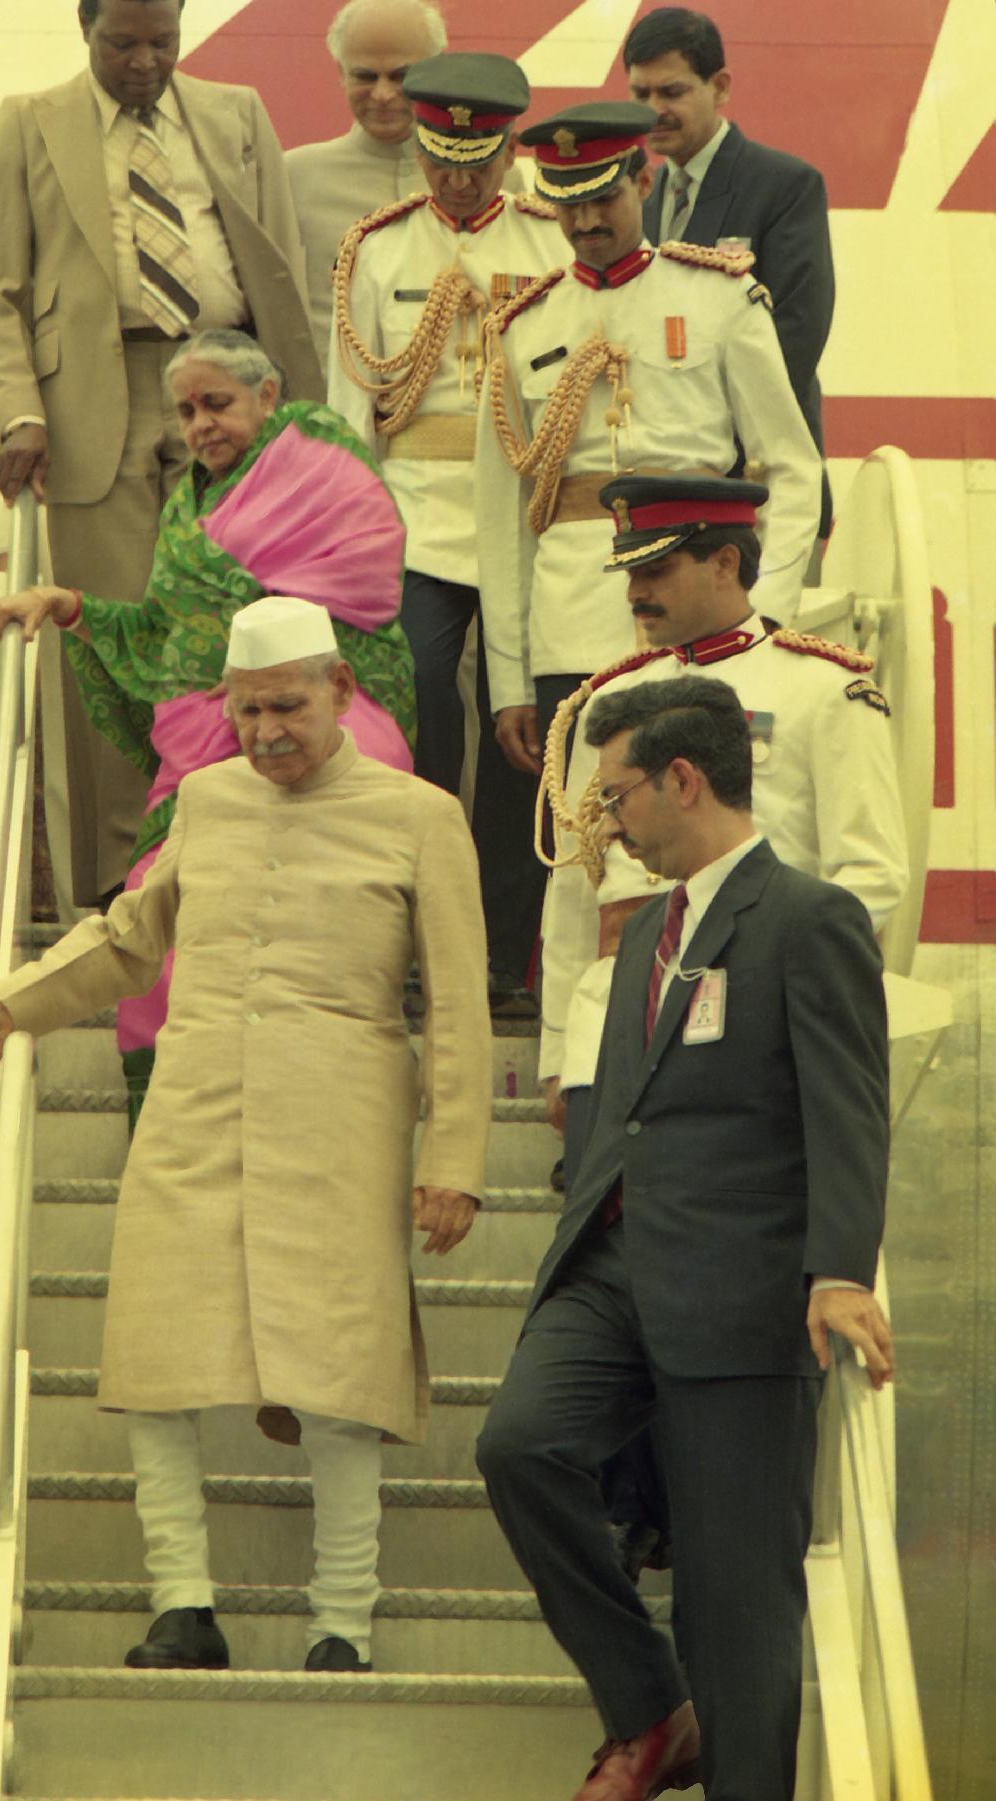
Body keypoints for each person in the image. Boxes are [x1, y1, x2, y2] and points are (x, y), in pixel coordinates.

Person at [0, 597, 492, 1677]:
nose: (265, 733)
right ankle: (182, 1606)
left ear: (341, 691)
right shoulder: (205, 797)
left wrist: (454, 1163)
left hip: (342, 1121)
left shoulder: (422, 815)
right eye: (247, 712)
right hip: (194, 1108)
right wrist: (13, 1001)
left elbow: (461, 1006)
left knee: (339, 1379)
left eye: (287, 707)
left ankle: (342, 1625)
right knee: (155, 1360)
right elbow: (127, 938)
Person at [476, 674, 894, 1801]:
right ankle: (654, 1705)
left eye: (617, 798)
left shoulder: (807, 918)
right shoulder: (643, 936)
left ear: (683, 779)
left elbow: (849, 1108)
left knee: (735, 1600)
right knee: (519, 1446)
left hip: (741, 1288)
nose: (608, 825)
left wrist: (839, 1269)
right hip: (611, 1269)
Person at [535, 471, 908, 1577]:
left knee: (707, 1278)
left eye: (657, 568)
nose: (636, 592)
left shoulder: (823, 689)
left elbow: (870, 878)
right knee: (606, 1266)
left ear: (728, 561)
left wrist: (779, 996)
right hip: (619, 1019)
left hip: (742, 1023)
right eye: (629, 571)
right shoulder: (605, 703)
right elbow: (572, 891)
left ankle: (699, 1527)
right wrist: (562, 1046)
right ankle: (635, 1514)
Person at [0, 329, 416, 1122]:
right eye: (186, 411)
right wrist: (70, 606)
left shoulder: (317, 452)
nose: (199, 426)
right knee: (160, 922)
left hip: (321, 742)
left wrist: (263, 665)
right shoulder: (189, 501)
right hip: (200, 755)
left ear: (267, 394)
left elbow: (364, 579)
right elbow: (167, 632)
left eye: (215, 403)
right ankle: (164, 1123)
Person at [0, 0, 322, 905]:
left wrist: (300, 418)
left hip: (230, 379)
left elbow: (281, 268)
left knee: (243, 629)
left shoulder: (238, 114)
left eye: (163, 41)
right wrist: (18, 414)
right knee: (113, 641)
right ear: (84, 28)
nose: (145, 61)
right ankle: (126, 882)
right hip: (95, 399)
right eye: (122, 43)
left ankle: (239, 864)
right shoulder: (29, 122)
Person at [473, 102, 821, 779]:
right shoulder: (521, 325)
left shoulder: (720, 296)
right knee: (585, 817)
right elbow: (502, 516)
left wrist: (768, 609)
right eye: (568, 205)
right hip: (574, 617)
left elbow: (792, 465)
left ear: (643, 182)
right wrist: (510, 679)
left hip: (707, 605)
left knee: (713, 804)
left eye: (603, 199)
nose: (586, 222)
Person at [328, 52, 563, 1012]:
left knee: (522, 729)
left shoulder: (551, 241)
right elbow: (351, 408)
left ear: (508, 152)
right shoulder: (378, 248)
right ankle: (415, 927)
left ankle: (504, 948)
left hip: (525, 513)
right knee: (419, 700)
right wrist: (351, 541)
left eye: (477, 162)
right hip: (417, 518)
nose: (457, 182)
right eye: (439, 161)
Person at [625, 6, 836, 533]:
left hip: (760, 482)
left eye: (671, 92)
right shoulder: (639, 201)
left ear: (719, 86)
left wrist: (702, 441)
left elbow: (796, 335)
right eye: (640, 94)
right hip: (664, 486)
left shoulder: (785, 186)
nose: (653, 111)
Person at [285, 0, 449, 364]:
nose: (383, 94)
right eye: (365, 76)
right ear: (341, 73)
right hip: (330, 397)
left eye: (401, 76)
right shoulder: (293, 177)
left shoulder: (488, 180)